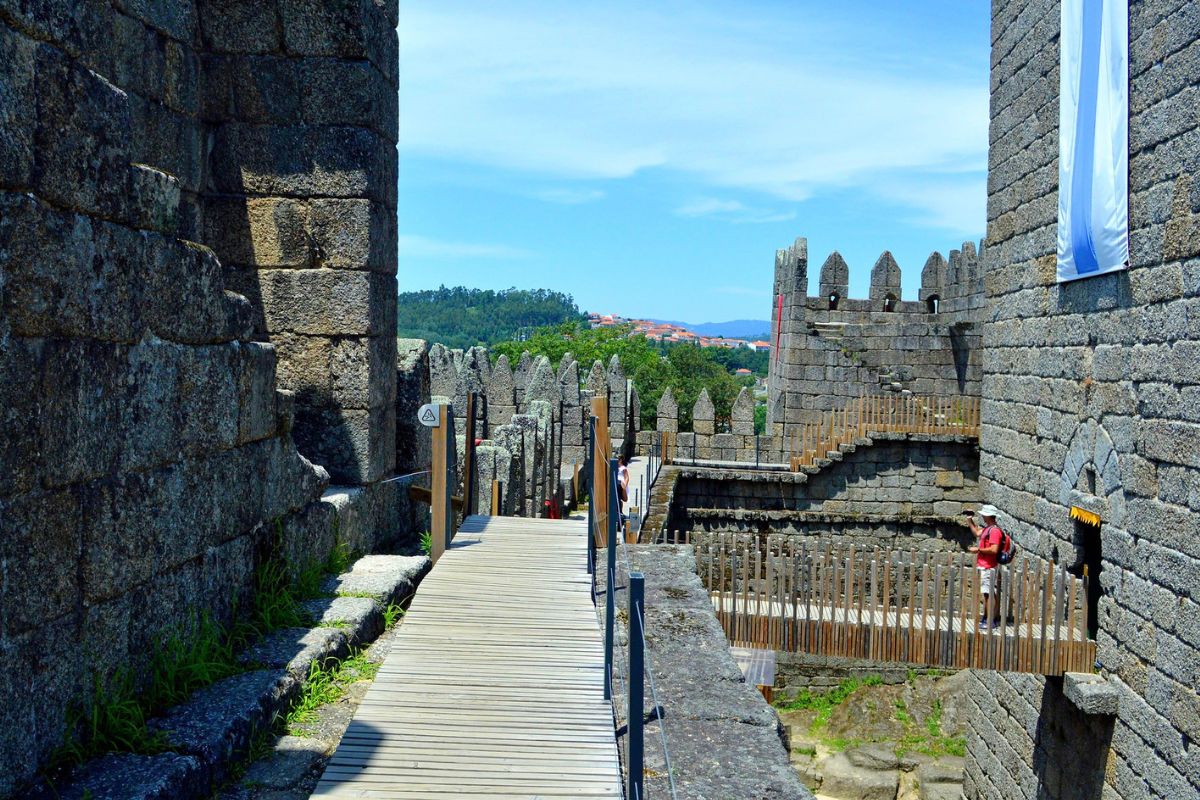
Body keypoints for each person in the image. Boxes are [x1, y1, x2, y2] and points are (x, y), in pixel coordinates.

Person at [967, 504, 1005, 630]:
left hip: (988, 567)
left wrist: (978, 549)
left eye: (983, 514)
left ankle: (990, 620)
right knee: (988, 594)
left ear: (988, 515)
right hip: (985, 566)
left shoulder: (994, 531)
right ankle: (989, 617)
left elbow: (994, 550)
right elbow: (977, 533)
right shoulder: (988, 529)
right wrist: (969, 520)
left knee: (988, 594)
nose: (982, 515)